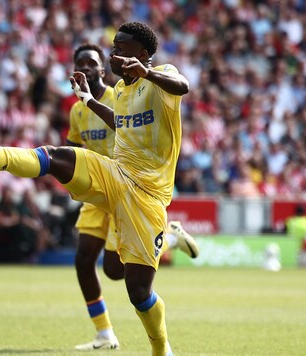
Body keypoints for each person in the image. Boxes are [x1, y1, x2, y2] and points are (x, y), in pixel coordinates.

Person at [0, 22, 187, 355]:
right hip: (115, 173)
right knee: (56, 156)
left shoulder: (159, 77)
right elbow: (120, 123)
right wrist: (87, 100)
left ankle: (161, 348)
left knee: (136, 290)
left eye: (121, 48)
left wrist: (148, 72)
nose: (114, 53)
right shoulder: (125, 93)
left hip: (147, 195)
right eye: (112, 47)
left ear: (142, 54)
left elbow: (182, 85)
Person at [67, 43, 199, 350]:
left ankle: (168, 238)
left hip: (126, 186)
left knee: (114, 270)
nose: (86, 67)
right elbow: (76, 145)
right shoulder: (76, 109)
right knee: (83, 258)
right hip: (96, 184)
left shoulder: (122, 93)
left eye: (92, 62)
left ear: (102, 69)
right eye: (80, 63)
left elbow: (135, 125)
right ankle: (103, 331)